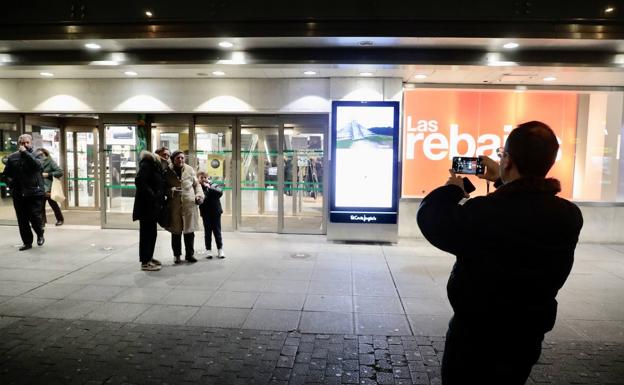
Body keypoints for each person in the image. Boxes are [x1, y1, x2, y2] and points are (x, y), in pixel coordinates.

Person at [416, 121, 583, 385]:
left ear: (507, 161)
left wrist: (453, 189)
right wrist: (499, 179)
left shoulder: (484, 213)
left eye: (502, 154)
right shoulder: (569, 216)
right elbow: (525, 204)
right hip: (526, 336)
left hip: (476, 338)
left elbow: (432, 219)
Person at [1, 134, 46, 250]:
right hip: (18, 193)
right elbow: (6, 174)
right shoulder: (12, 157)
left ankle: (40, 233)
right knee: (22, 219)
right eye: (22, 143)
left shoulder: (38, 154)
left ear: (31, 143)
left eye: (27, 143)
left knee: (35, 217)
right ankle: (27, 242)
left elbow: (37, 166)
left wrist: (25, 153)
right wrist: (11, 184)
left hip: (34, 192)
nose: (25, 145)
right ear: (19, 144)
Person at [164, 150, 203, 264]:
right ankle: (177, 255)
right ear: (173, 159)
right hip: (174, 207)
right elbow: (163, 188)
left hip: (189, 206)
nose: (180, 160)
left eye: (182, 158)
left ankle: (189, 255)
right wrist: (171, 191)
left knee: (189, 231)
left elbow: (197, 185)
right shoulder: (167, 171)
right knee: (176, 232)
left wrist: (199, 195)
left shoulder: (190, 169)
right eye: (178, 158)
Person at [132, 150, 166, 271]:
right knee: (146, 234)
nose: (166, 157)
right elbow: (140, 182)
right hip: (147, 207)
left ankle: (149, 257)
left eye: (168, 155)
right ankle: (145, 262)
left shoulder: (155, 166)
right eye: (164, 155)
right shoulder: (147, 164)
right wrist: (153, 196)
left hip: (153, 207)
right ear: (156, 156)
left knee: (152, 233)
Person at [197, 171, 225, 259]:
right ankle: (208, 250)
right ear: (198, 179)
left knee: (217, 231)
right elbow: (202, 198)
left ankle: (220, 249)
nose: (204, 179)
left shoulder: (213, 185)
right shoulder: (198, 188)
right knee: (207, 232)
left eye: (205, 177)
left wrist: (209, 187)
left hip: (216, 212)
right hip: (206, 213)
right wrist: (204, 188)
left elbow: (220, 193)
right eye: (201, 178)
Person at [36, 148, 64, 226]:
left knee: (53, 205)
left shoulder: (50, 162)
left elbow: (60, 172)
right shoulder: (35, 163)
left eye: (41, 155)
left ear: (46, 154)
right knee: (40, 206)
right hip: (39, 187)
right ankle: (42, 221)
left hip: (48, 188)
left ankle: (60, 219)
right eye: (38, 155)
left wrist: (48, 174)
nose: (40, 157)